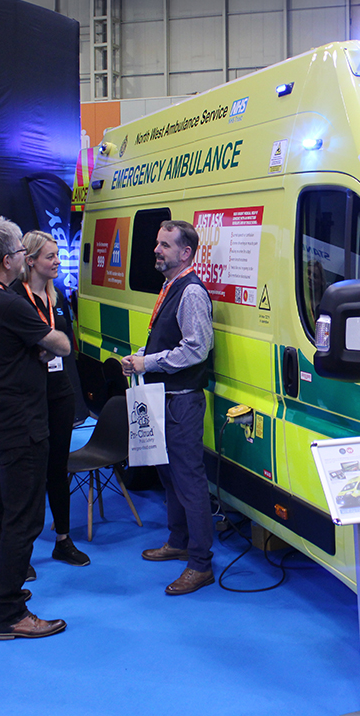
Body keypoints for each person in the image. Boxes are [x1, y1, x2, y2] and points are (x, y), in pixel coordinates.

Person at [0, 218, 71, 639]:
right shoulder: (8, 304)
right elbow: (60, 343)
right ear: (8, 261)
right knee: (22, 520)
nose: (26, 260)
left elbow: (2, 353)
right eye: (22, 255)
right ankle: (10, 614)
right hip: (21, 429)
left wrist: (29, 352)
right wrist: (43, 343)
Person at [121, 221, 215, 595]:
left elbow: (197, 347)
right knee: (170, 477)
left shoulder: (191, 291)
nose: (156, 250)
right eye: (157, 243)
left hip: (181, 402)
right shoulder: (171, 286)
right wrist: (141, 357)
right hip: (163, 399)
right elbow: (171, 340)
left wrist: (150, 363)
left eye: (164, 245)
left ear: (186, 253)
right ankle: (178, 542)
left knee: (190, 482)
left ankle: (200, 564)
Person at [12, 231, 91, 567]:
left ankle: (63, 539)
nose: (58, 261)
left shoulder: (56, 295)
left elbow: (67, 344)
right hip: (28, 397)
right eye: (51, 256)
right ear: (30, 261)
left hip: (59, 392)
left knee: (58, 468)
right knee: (29, 474)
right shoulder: (15, 298)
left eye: (58, 255)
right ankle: (20, 552)